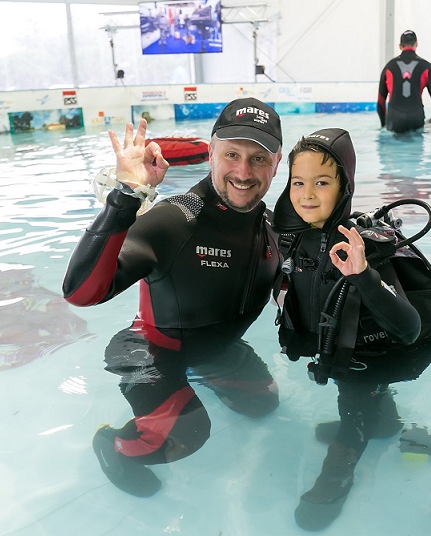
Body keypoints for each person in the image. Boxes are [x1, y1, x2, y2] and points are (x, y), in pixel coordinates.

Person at [62, 97, 283, 496]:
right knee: (190, 432)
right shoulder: (175, 220)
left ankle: (195, 380)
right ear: (211, 153)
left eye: (259, 159)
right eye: (231, 154)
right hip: (150, 351)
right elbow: (80, 292)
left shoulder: (269, 227)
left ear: (277, 163)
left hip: (217, 349)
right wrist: (126, 197)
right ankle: (112, 445)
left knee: (263, 405)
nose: (243, 172)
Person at [272, 128, 431, 529]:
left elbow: (409, 329)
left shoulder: (362, 247)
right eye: (298, 182)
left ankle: (341, 466)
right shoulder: (298, 238)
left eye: (322, 182)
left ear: (344, 186)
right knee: (363, 395)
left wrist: (364, 275)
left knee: (351, 412)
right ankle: (382, 422)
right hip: (352, 354)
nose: (307, 194)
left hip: (372, 360)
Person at [377, 30, 431, 133]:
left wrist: (384, 125)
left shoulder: (389, 67)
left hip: (395, 121)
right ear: (416, 44)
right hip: (416, 119)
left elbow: (380, 101)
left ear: (400, 46)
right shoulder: (426, 67)